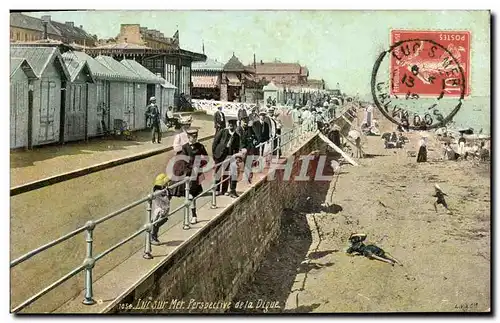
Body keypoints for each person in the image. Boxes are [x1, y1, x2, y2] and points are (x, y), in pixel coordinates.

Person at [170, 129, 209, 225]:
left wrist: (200, 164)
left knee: (192, 195)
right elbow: (183, 161)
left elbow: (206, 158)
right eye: (192, 137)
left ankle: (193, 216)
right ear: (188, 137)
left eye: (195, 137)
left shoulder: (200, 146)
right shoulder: (185, 147)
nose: (194, 139)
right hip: (188, 173)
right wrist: (190, 169)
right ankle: (191, 216)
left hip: (196, 174)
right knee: (190, 195)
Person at [212, 119, 241, 198]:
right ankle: (217, 189)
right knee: (218, 172)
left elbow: (237, 148)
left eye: (233, 125)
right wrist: (214, 154)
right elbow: (215, 142)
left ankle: (224, 190)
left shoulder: (237, 136)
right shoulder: (222, 132)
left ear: (235, 126)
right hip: (219, 154)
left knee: (226, 172)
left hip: (229, 155)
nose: (231, 126)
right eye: (230, 125)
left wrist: (234, 157)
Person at [150, 173, 172, 245]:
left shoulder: (164, 190)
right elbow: (165, 200)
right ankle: (152, 237)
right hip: (159, 210)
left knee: (161, 222)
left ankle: (154, 236)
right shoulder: (158, 192)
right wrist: (166, 193)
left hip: (163, 210)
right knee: (156, 224)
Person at [237, 116, 258, 183]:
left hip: (248, 149)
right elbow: (239, 141)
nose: (245, 123)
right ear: (241, 122)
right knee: (240, 165)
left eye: (246, 122)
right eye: (244, 122)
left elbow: (254, 136)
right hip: (240, 150)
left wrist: (253, 139)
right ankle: (239, 179)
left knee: (248, 164)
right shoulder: (238, 130)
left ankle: (248, 178)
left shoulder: (249, 128)